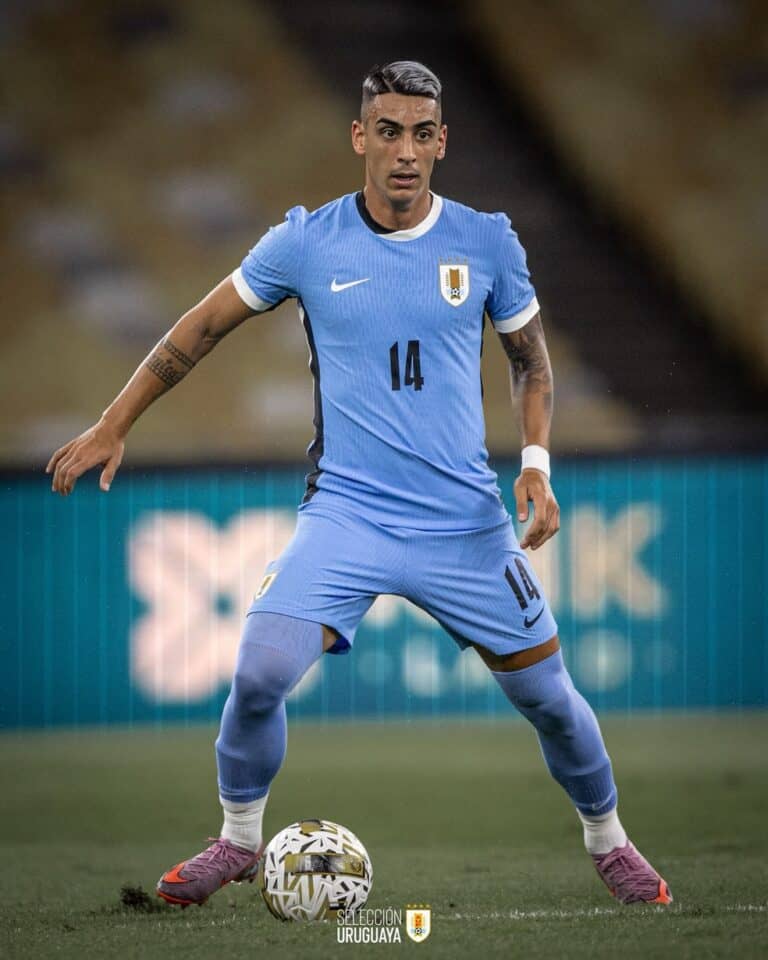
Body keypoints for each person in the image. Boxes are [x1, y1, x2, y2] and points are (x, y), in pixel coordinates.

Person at [47, 61, 671, 909]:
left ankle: (610, 843)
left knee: (552, 702)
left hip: (464, 524)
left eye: (421, 134)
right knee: (258, 676)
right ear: (359, 138)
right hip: (349, 514)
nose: (404, 151)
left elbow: (531, 362)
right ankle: (237, 840)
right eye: (388, 132)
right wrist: (114, 422)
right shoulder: (305, 242)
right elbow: (201, 327)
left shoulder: (488, 241)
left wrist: (536, 463)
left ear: (442, 143)